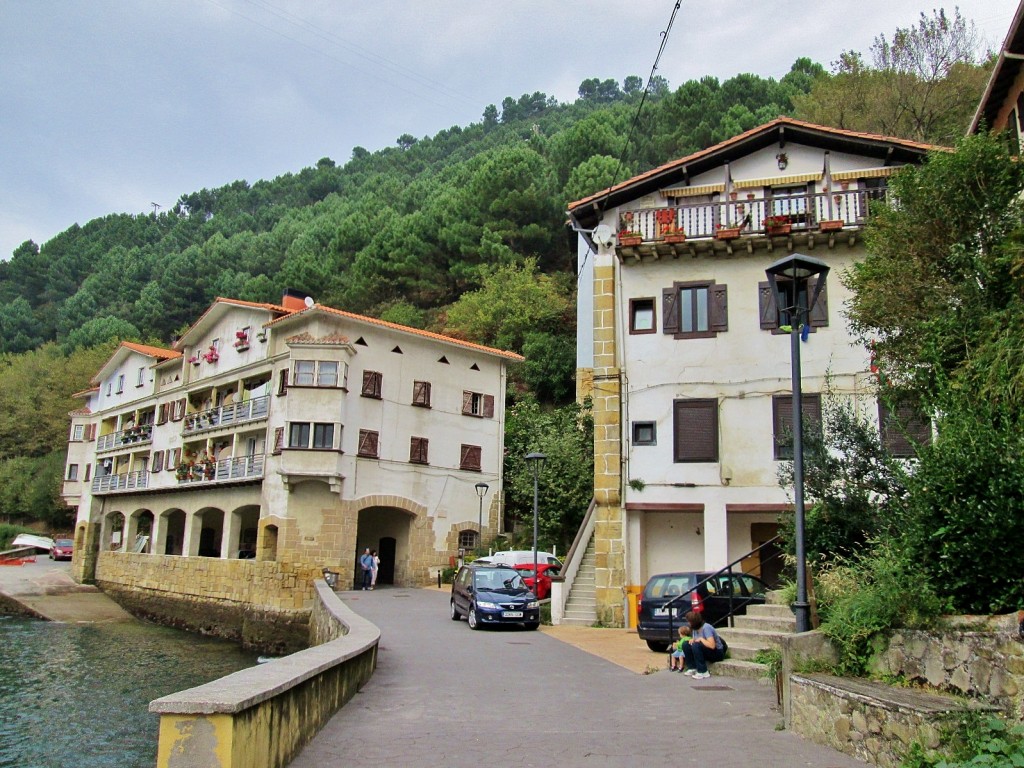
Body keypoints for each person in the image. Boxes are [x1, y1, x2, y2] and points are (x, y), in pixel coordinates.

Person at [681, 610, 727, 679]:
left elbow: (712, 645)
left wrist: (701, 639)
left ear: (694, 622)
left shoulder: (706, 628)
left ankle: (703, 671)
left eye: (689, 622)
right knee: (686, 644)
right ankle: (692, 667)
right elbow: (696, 640)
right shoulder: (694, 629)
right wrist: (693, 640)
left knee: (696, 645)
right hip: (706, 651)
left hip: (717, 653)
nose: (688, 624)